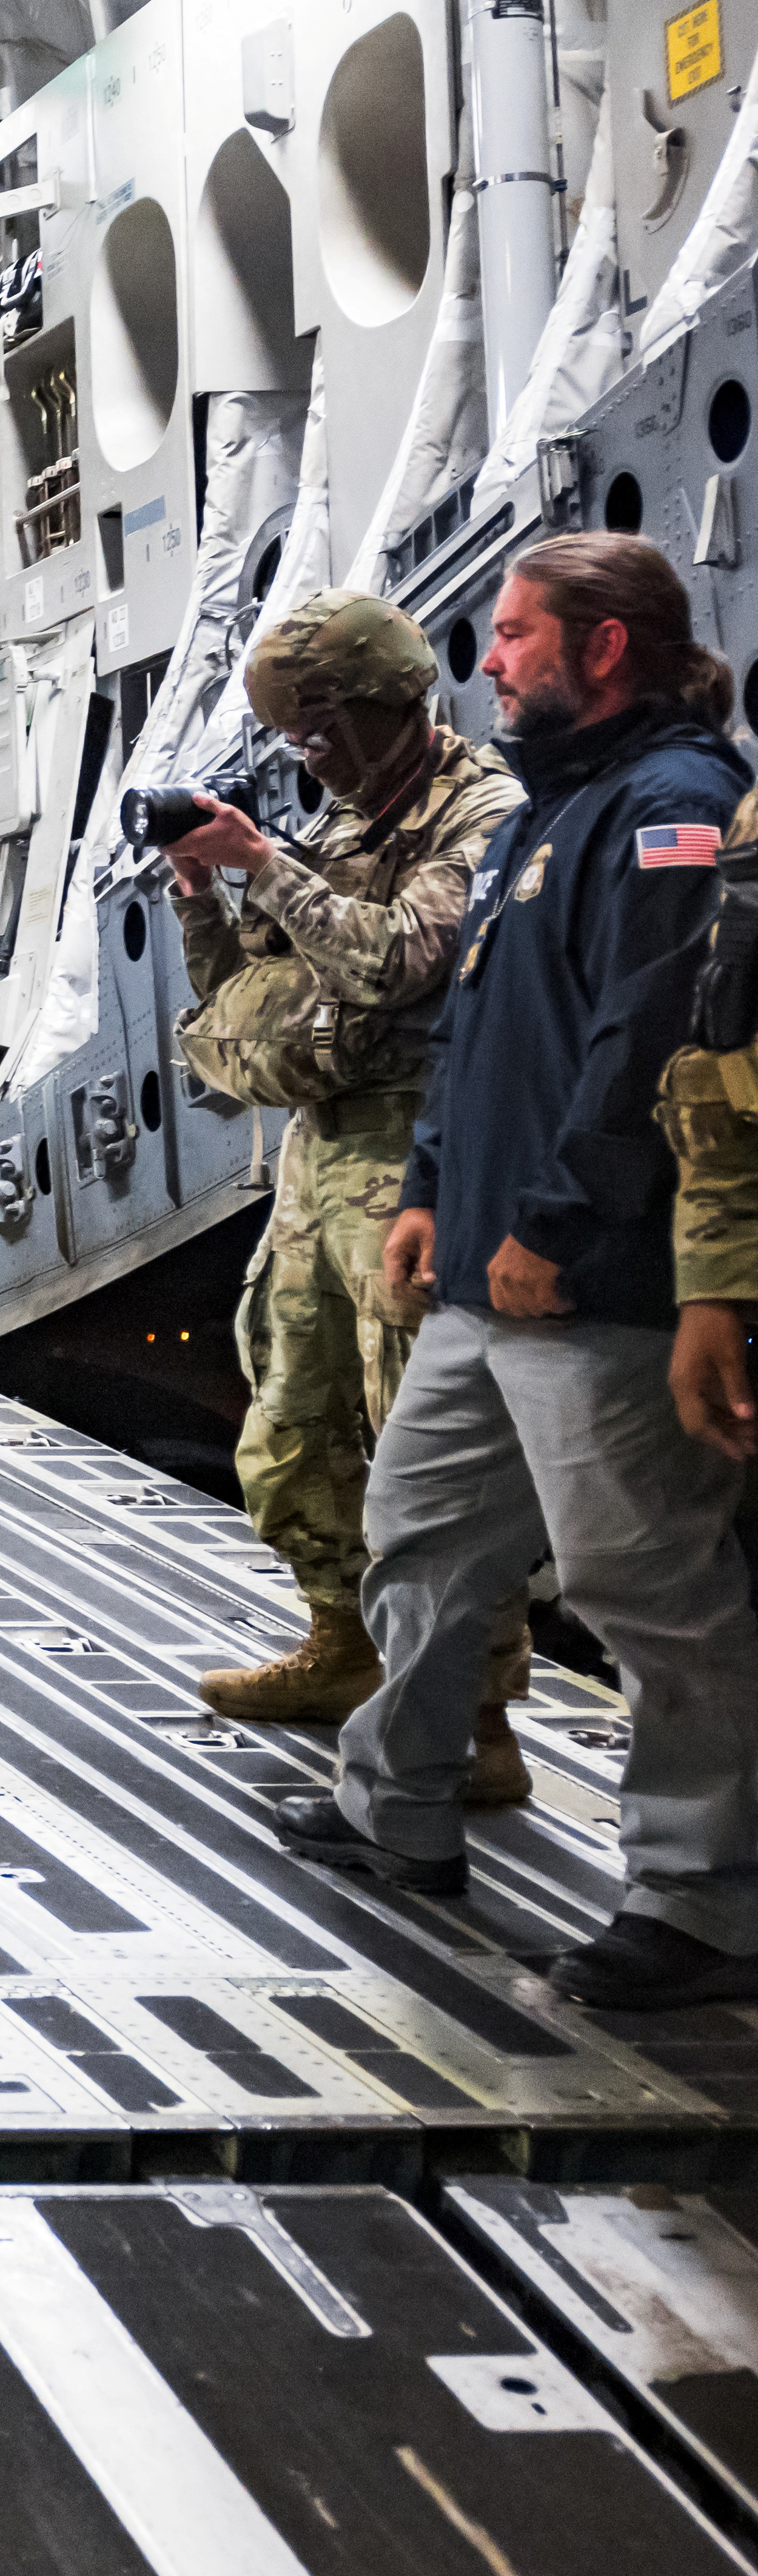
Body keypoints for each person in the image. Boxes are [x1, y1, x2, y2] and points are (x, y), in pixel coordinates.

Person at [289, 533, 758, 2006]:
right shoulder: (544, 808)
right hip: (483, 1267)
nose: (487, 660)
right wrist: (431, 1186)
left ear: (602, 645)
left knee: (648, 1588)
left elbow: (648, 1041)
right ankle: (398, 1810)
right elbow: (484, 1025)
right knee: (418, 1533)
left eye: (510, 633)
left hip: (587, 1275)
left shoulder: (673, 806)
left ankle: (702, 1897)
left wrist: (556, 1221)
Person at [159, 593, 530, 1786]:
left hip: (420, 1151)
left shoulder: (478, 812)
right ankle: (342, 1641)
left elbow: (396, 960)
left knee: (416, 1444)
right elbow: (249, 994)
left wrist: (265, 864)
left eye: (319, 734)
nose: (308, 760)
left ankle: (472, 1718)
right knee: (287, 1423)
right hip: (322, 1158)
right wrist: (199, 897)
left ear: (383, 707)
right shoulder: (348, 822)